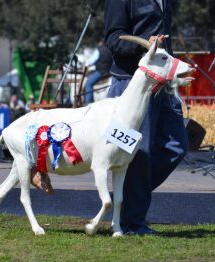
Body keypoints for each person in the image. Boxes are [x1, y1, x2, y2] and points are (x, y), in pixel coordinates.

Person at [104, 0, 188, 235]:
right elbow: (114, 39)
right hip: (134, 85)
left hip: (162, 83)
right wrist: (145, 46)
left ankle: (125, 201)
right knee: (139, 155)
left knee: (177, 146)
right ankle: (131, 222)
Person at [83, 40, 113, 104]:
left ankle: (88, 103)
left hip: (101, 72)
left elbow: (90, 62)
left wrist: (86, 64)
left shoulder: (99, 50)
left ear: (100, 43)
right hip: (109, 71)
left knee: (88, 84)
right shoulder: (110, 50)